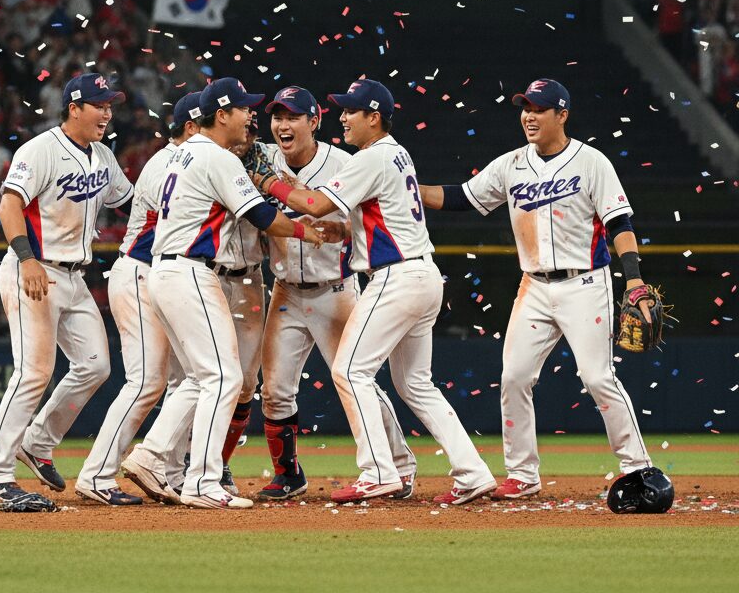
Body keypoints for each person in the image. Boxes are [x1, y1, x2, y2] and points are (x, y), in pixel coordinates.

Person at [250, 78, 495, 505]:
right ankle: (473, 472)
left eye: (351, 111)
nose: (343, 118)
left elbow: (312, 205)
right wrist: (341, 230)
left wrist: (267, 182)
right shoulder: (397, 153)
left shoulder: (371, 158)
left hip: (395, 278)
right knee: (417, 385)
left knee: (349, 371)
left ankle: (378, 471)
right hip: (422, 275)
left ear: (374, 117)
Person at [419, 78, 660, 500]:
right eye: (525, 108)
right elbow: (462, 197)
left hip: (585, 283)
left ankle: (638, 467)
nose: (529, 116)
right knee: (513, 376)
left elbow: (619, 222)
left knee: (598, 376)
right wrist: (405, 190)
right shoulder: (511, 164)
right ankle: (523, 475)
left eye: (539, 109)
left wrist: (634, 277)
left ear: (561, 115)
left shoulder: (592, 162)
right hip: (533, 286)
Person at [142, 77, 324, 510]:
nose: (250, 116)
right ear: (220, 115)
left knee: (201, 379)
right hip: (192, 271)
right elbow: (264, 216)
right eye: (243, 109)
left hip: (167, 269)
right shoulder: (218, 157)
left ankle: (151, 455)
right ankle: (202, 482)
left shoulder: (181, 152)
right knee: (224, 377)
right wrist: (306, 231)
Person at [0, 73, 133, 509]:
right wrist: (26, 259)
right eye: (99, 104)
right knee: (33, 372)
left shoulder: (103, 155)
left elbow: (132, 200)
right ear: (74, 108)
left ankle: (38, 441)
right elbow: (8, 204)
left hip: (75, 276)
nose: (107, 112)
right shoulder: (40, 150)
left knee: (96, 365)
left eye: (110, 105)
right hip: (35, 268)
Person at [256, 86, 415, 500]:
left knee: (357, 380)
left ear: (314, 121)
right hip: (286, 290)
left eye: (292, 117)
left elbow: (357, 224)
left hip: (336, 289)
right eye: (276, 117)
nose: (282, 125)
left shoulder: (345, 163)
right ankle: (288, 474)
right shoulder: (265, 157)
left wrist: (340, 230)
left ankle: (399, 465)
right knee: (274, 391)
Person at [76, 92, 201, 505]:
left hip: (159, 275)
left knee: (190, 378)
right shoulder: (176, 162)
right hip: (142, 273)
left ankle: (171, 470)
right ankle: (97, 474)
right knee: (147, 380)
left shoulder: (178, 159)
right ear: (191, 127)